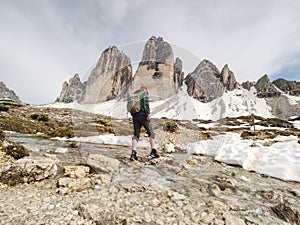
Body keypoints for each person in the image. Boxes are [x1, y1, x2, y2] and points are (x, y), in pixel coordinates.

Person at [130, 85, 159, 161]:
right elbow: (146, 103)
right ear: (145, 89)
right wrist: (148, 114)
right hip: (143, 115)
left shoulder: (134, 94)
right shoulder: (143, 93)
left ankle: (133, 153)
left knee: (136, 134)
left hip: (135, 116)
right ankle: (153, 151)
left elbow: (129, 106)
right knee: (151, 132)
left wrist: (133, 115)